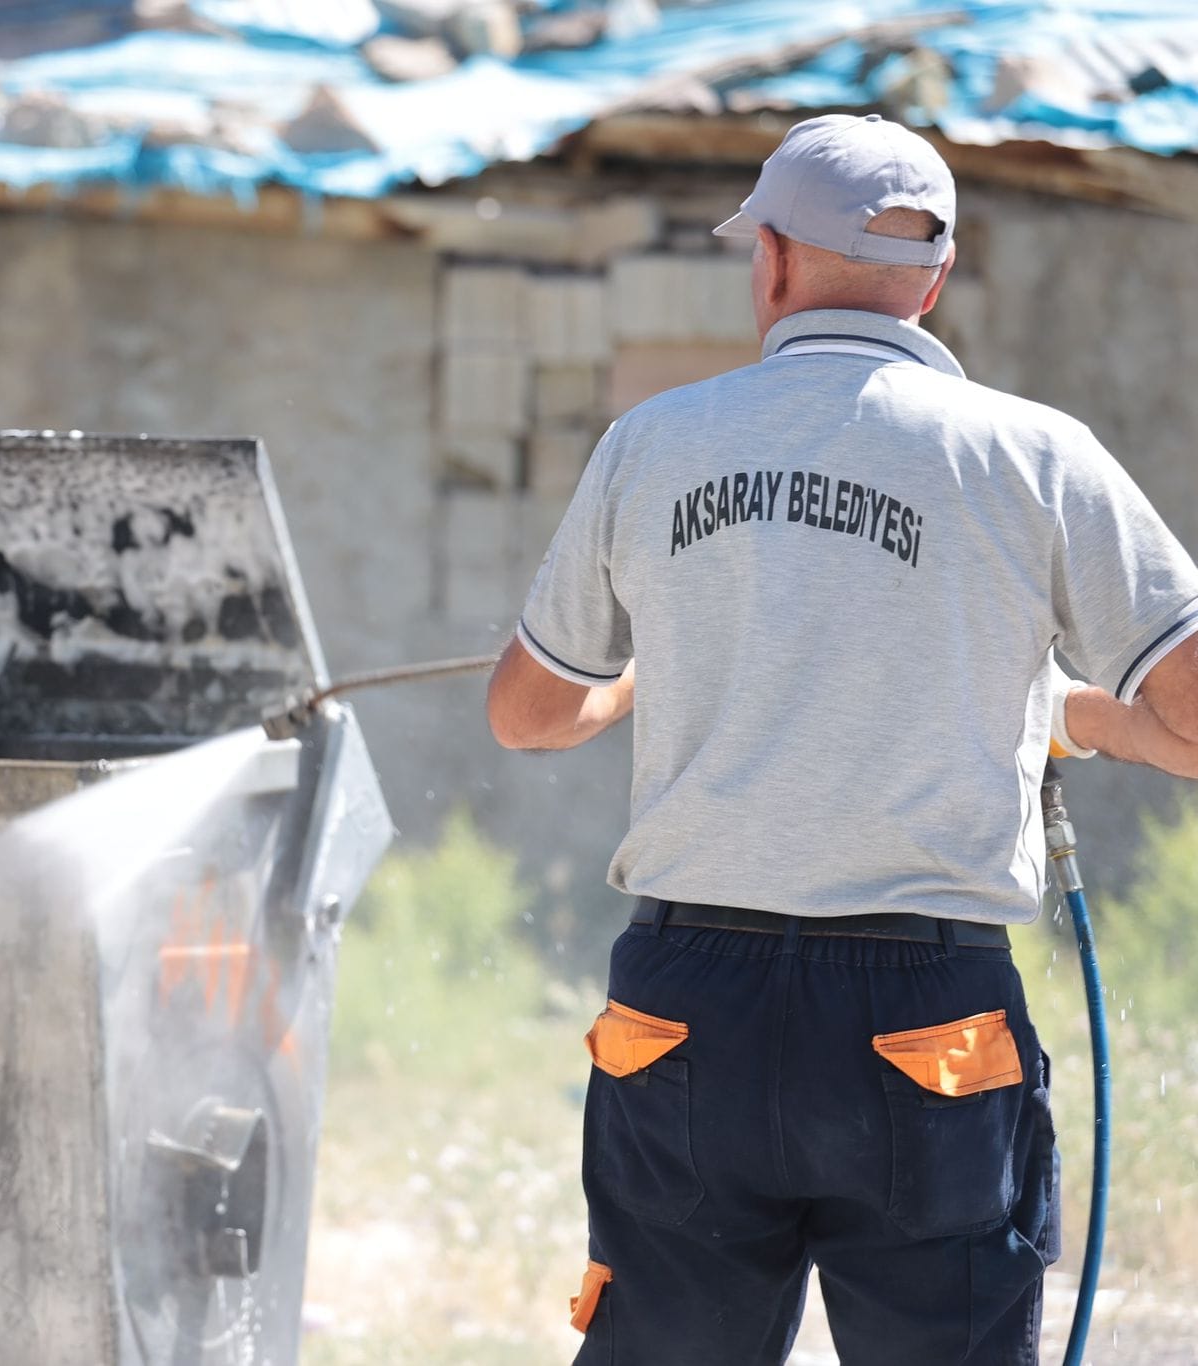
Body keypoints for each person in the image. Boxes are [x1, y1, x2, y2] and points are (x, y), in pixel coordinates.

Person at [485, 112, 1198, 1365]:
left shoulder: (653, 441)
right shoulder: (1036, 456)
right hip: (928, 1018)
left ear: (768, 261)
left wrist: (645, 678)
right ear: (933, 281)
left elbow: (526, 713)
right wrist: (1067, 717)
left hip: (685, 1007)